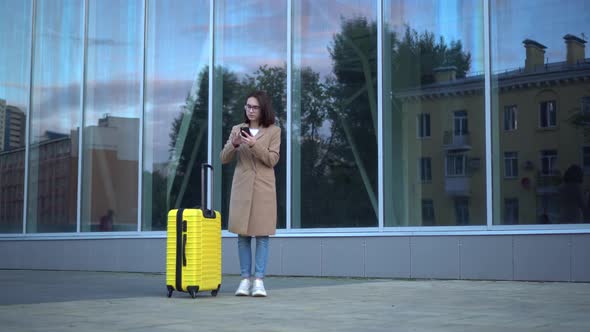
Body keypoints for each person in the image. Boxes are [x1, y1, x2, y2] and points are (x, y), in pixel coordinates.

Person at [220, 90, 281, 297]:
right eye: (248, 106)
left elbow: (272, 160)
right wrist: (234, 144)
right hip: (242, 187)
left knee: (262, 235)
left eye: (255, 107)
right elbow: (223, 158)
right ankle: (245, 279)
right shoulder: (237, 129)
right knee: (243, 236)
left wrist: (255, 145)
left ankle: (259, 281)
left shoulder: (274, 131)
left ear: (263, 109)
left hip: (264, 187)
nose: (251, 110)